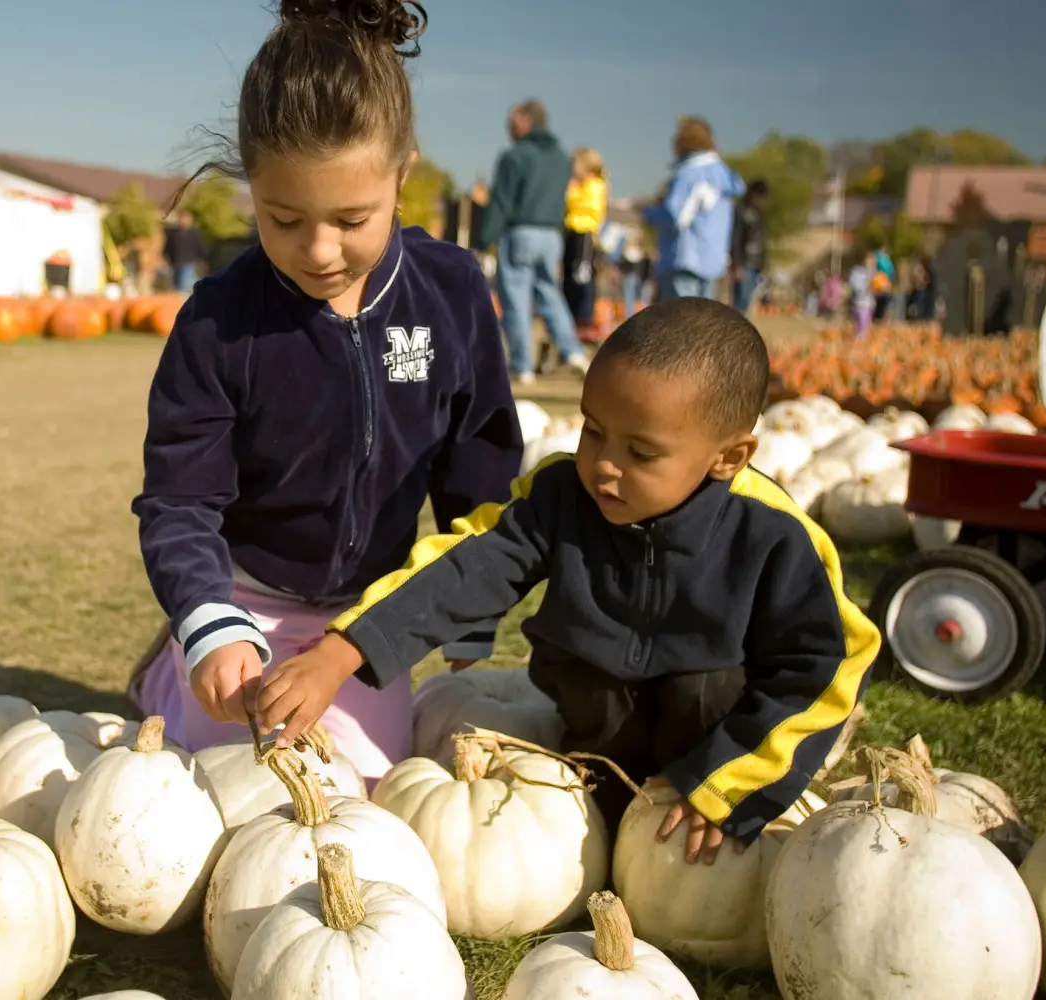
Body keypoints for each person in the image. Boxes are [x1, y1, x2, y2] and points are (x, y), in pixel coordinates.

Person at [254, 297, 879, 860]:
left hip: (715, 747)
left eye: (640, 453)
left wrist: (729, 780)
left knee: (707, 687)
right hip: (595, 733)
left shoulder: (774, 537)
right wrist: (344, 650)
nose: (604, 466)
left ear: (728, 457)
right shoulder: (559, 496)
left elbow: (827, 664)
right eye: (593, 431)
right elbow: (464, 568)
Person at [129, 0, 522, 781]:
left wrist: (467, 609)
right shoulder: (217, 322)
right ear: (252, 187)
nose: (318, 250)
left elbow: (478, 461)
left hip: (371, 615)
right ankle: (173, 669)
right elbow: (179, 500)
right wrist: (211, 621)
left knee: (369, 783)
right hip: (248, 596)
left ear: (402, 174)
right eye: (283, 219)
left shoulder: (451, 292)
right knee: (238, 782)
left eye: (351, 219)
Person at [477, 99, 588, 385]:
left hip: (521, 233)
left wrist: (483, 239)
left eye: (512, 120)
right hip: (551, 236)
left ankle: (522, 365)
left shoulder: (515, 156)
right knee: (549, 295)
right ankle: (572, 351)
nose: (508, 126)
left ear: (527, 120)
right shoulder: (561, 157)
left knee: (515, 300)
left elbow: (501, 201)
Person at [644, 116, 745, 302]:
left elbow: (675, 216)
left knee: (681, 316)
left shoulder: (689, 173)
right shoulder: (722, 174)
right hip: (713, 260)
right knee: (702, 316)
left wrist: (646, 212)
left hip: (684, 259)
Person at [563, 148, 609, 342]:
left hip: (584, 234)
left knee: (582, 275)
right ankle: (571, 316)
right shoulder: (579, 185)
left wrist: (571, 190)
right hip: (571, 233)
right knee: (569, 278)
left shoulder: (595, 185)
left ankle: (584, 318)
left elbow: (583, 206)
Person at [730, 180, 768, 314]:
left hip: (755, 264)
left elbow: (761, 241)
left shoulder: (758, 214)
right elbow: (735, 238)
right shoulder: (740, 212)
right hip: (744, 263)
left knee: (748, 301)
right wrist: (737, 264)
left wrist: (763, 265)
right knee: (741, 302)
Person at [164, 211, 205, 293]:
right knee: (176, 285)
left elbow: (199, 247)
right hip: (175, 263)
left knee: (183, 286)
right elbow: (168, 247)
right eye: (181, 219)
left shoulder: (194, 233)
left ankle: (184, 298)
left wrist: (202, 259)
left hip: (188, 263)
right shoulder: (173, 233)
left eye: (185, 219)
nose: (183, 221)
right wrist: (166, 257)